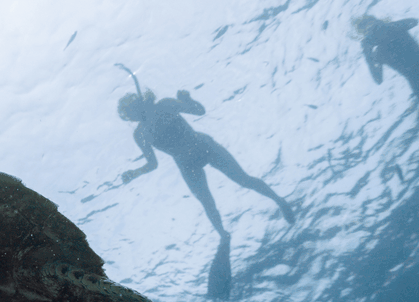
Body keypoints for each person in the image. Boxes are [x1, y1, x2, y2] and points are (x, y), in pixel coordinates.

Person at [117, 88, 296, 238]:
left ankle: (278, 201)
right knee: (207, 201)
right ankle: (223, 236)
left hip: (203, 147)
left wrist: (186, 99)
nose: (131, 116)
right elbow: (152, 164)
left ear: (137, 104)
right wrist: (135, 173)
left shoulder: (164, 105)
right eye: (128, 115)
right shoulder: (140, 134)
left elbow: (199, 111)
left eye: (129, 111)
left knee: (242, 180)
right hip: (188, 162)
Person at [353, 14, 419, 127]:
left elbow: (414, 20)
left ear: (378, 21)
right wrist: (368, 54)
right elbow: (378, 79)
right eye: (367, 28)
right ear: (366, 35)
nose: (372, 28)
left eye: (372, 23)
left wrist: (387, 26)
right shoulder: (379, 52)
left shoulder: (395, 29)